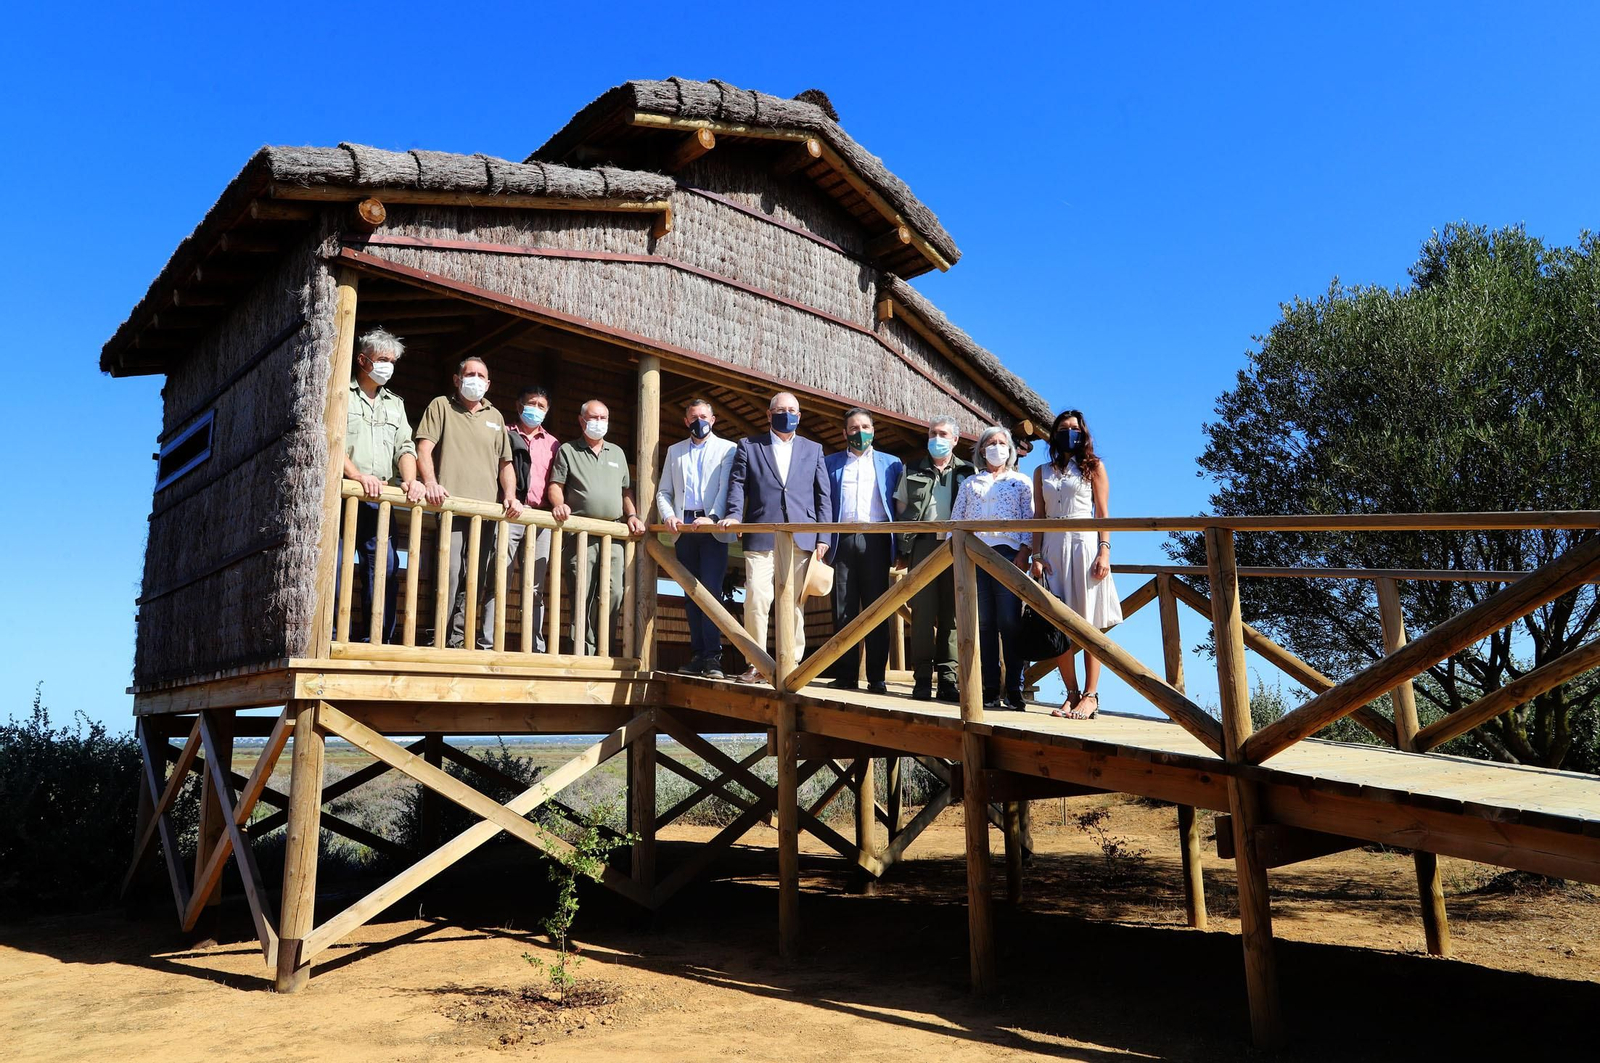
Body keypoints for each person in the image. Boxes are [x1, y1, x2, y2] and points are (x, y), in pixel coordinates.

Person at [719, 391, 832, 685]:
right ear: (769, 415)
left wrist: (824, 535)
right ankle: (756, 664)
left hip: (802, 537)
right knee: (756, 598)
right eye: (781, 409)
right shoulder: (749, 445)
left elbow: (823, 495)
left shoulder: (813, 449)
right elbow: (738, 483)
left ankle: (791, 664)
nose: (787, 414)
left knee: (793, 603)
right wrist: (734, 513)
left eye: (792, 410)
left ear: (800, 415)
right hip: (761, 534)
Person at [415, 356, 521, 648]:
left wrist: (510, 495)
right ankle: (439, 636)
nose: (475, 379)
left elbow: (505, 464)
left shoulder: (496, 417)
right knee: (449, 574)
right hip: (451, 508)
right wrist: (431, 483)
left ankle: (459, 639)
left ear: (488, 383)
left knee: (475, 577)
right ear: (456, 379)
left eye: (480, 375)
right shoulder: (441, 406)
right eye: (469, 373)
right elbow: (424, 448)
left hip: (485, 514)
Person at [1031, 410, 1123, 719]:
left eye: (1074, 428)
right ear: (1054, 434)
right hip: (1053, 549)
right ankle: (1070, 692)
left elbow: (1102, 512)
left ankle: (1091, 694)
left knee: (1089, 621)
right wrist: (1036, 554)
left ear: (1083, 434)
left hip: (1084, 545)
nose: (1068, 433)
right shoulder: (1041, 471)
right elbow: (1039, 516)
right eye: (1063, 428)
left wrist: (1104, 552)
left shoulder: (1093, 467)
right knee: (1058, 622)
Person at [340, 328, 426, 642]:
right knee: (336, 566)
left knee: (385, 568)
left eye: (392, 360)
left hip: (380, 501)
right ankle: (334, 634)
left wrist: (411, 481)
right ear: (363, 360)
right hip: (343, 495)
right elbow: (332, 440)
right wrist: (356, 476)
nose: (387, 365)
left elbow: (405, 446)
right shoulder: (341, 393)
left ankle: (378, 639)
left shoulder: (395, 404)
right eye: (382, 359)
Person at [548, 400, 648, 654]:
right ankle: (581, 650)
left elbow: (626, 490)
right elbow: (555, 486)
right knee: (582, 593)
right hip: (580, 534)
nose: (600, 423)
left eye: (604, 418)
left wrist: (633, 515)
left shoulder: (617, 453)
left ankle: (603, 648)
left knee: (613, 593)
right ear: (582, 421)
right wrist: (559, 505)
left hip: (613, 534)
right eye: (594, 417)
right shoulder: (568, 450)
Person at [950, 426, 1035, 710]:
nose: (996, 447)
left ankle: (1014, 687)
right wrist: (957, 553)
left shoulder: (1021, 482)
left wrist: (1024, 553)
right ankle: (988, 688)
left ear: (1010, 450)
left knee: (1009, 621)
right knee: (984, 624)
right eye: (990, 443)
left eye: (1002, 443)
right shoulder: (970, 483)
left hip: (1009, 553)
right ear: (982, 450)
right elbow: (956, 521)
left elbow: (1029, 521)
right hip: (976, 553)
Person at [658, 398, 738, 678]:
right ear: (686, 421)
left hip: (712, 529)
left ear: (713, 419)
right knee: (690, 594)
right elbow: (663, 492)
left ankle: (713, 657)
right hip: (684, 528)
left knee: (711, 593)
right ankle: (697, 655)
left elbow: (727, 487)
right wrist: (668, 515)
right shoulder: (674, 451)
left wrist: (713, 517)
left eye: (703, 416)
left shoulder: (728, 448)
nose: (699, 421)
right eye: (693, 417)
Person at [894, 415, 973, 701]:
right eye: (932, 433)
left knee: (951, 617)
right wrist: (903, 550)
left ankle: (949, 681)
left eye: (943, 434)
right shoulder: (912, 468)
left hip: (956, 548)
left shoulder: (968, 471)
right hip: (923, 547)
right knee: (923, 616)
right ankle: (923, 679)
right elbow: (902, 508)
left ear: (955, 440)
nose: (937, 439)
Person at [824, 408, 903, 694]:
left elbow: (901, 506)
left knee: (876, 610)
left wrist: (900, 545)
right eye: (854, 428)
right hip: (842, 540)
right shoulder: (829, 463)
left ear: (874, 430)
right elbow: (822, 506)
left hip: (877, 540)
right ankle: (845, 675)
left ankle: (876, 677)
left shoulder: (891, 464)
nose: (860, 433)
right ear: (844, 433)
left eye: (866, 427)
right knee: (843, 608)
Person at [482, 385, 558, 652]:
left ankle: (534, 647)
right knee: (498, 579)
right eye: (531, 404)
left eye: (541, 406)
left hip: (541, 519)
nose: (535, 409)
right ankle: (489, 643)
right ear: (518, 406)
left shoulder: (553, 444)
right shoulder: (503, 434)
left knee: (535, 587)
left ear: (547, 412)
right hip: (508, 514)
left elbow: (556, 482)